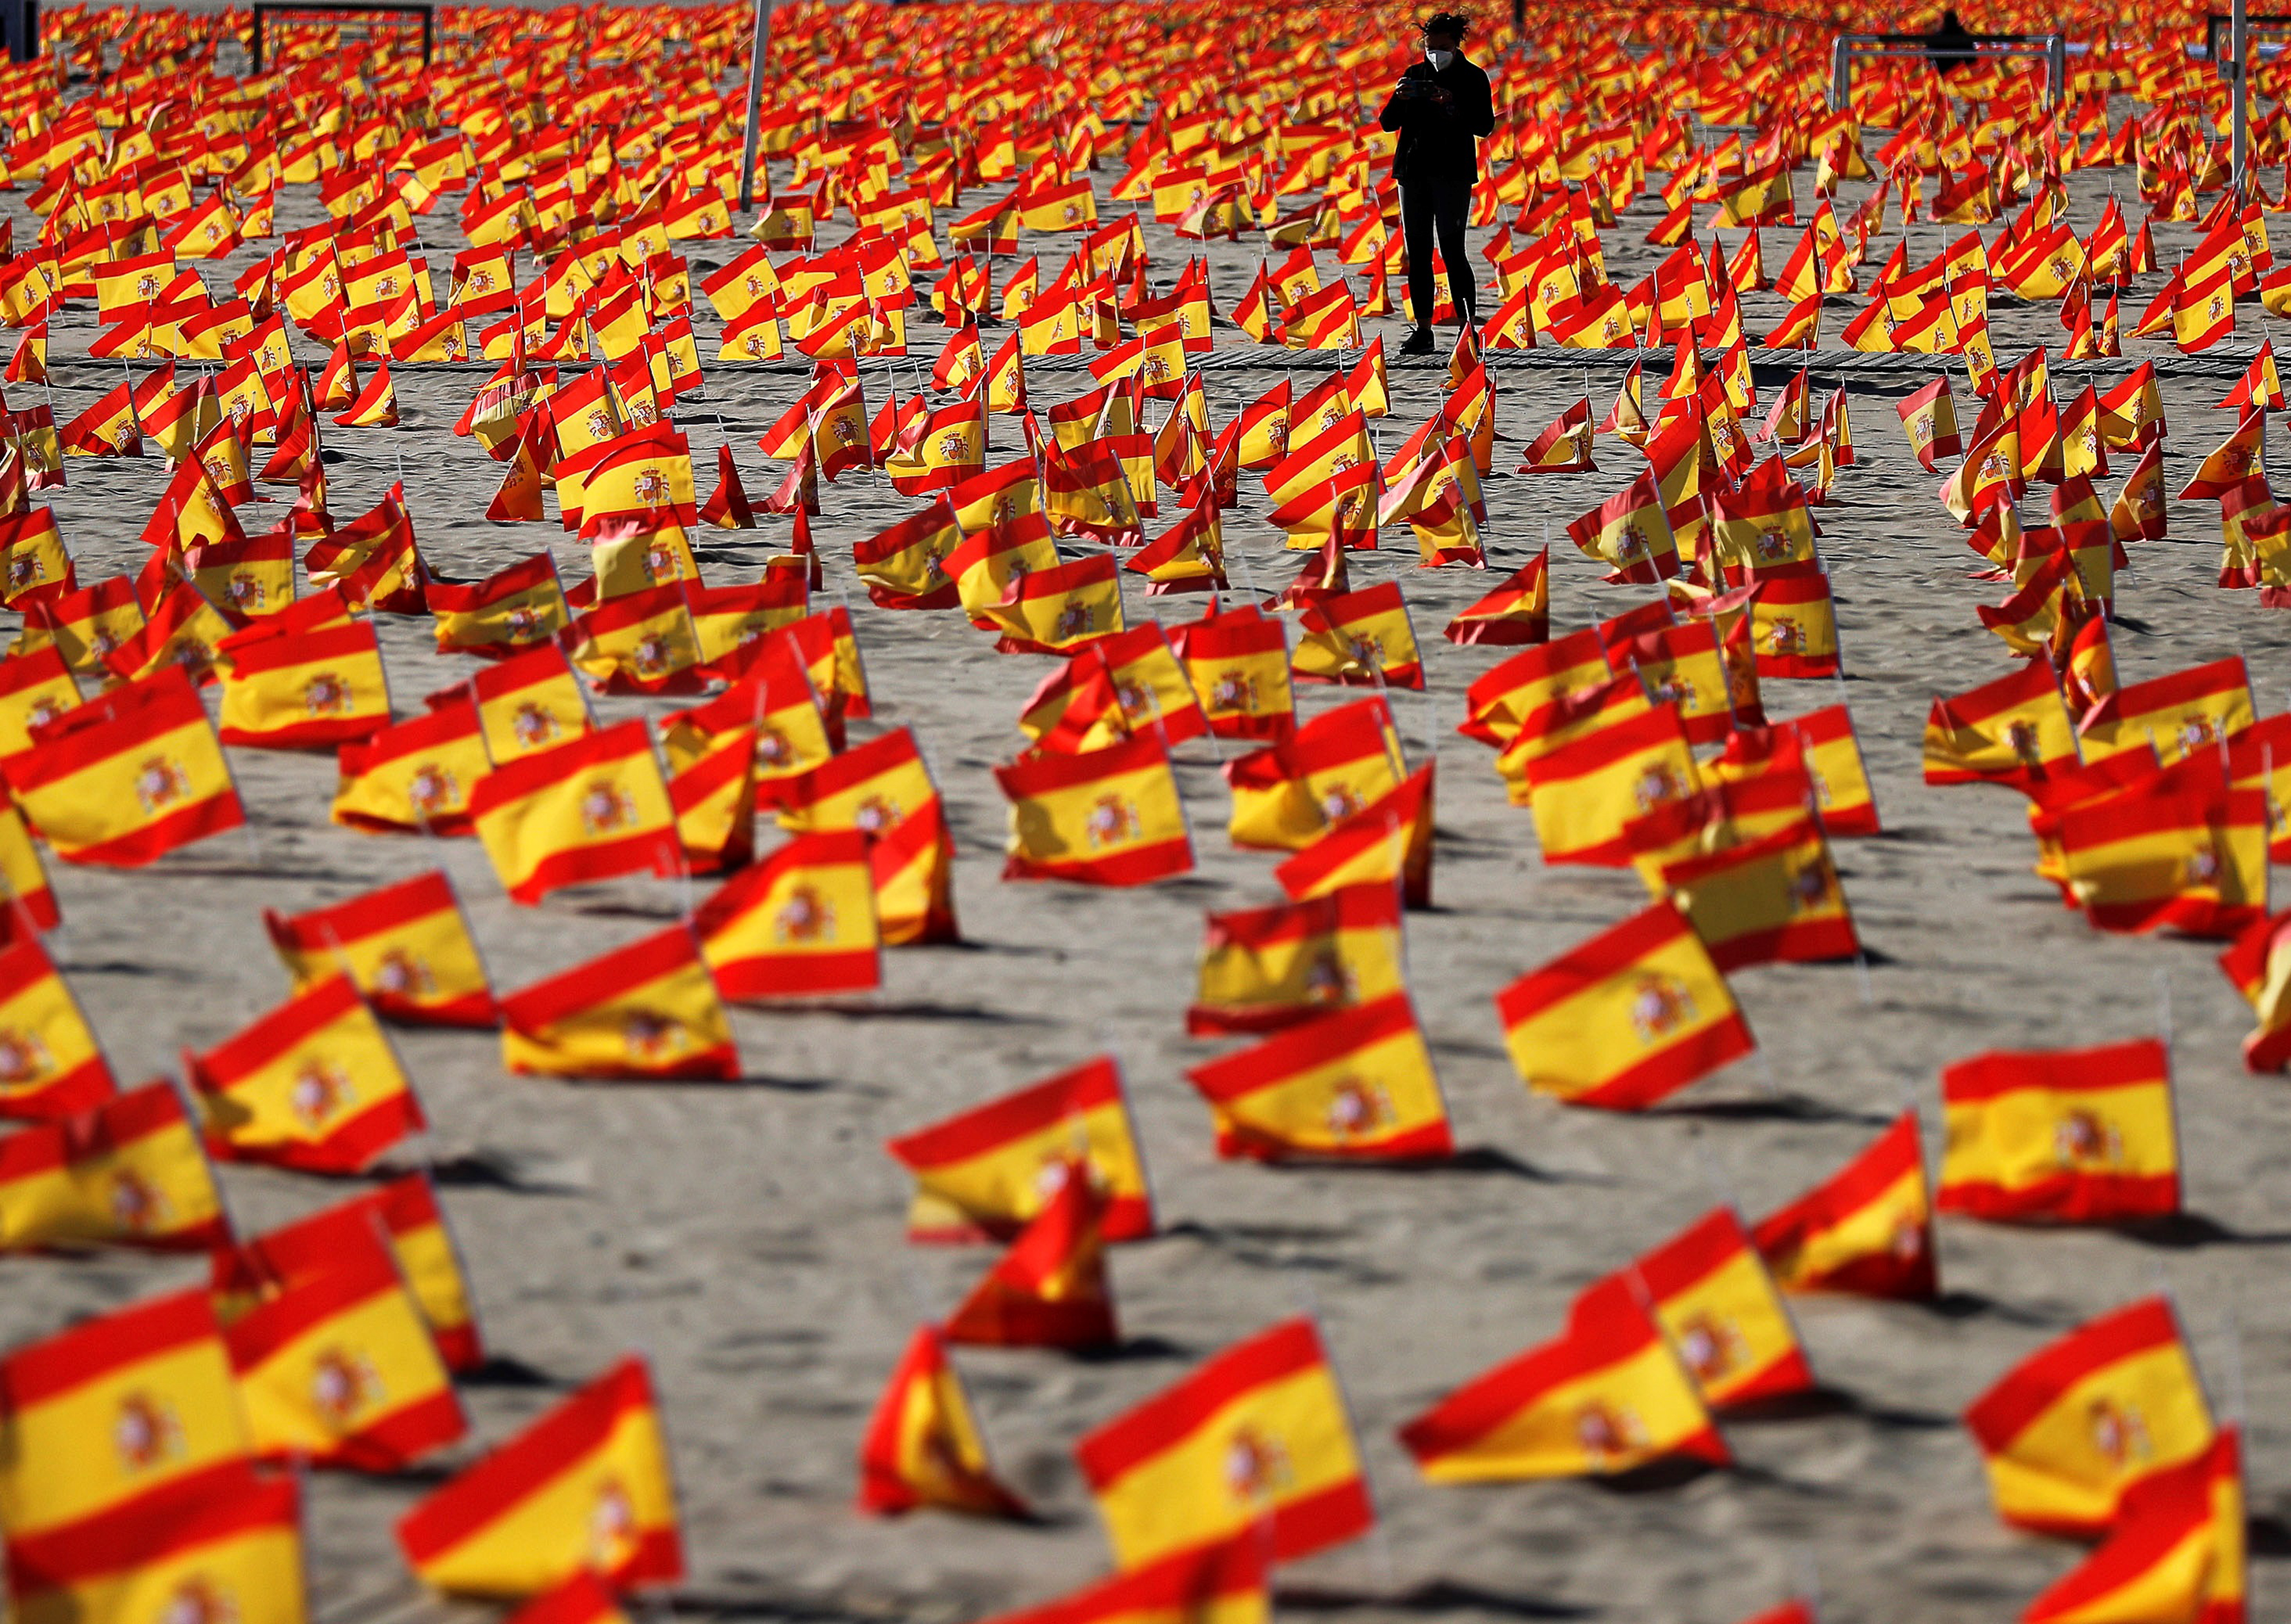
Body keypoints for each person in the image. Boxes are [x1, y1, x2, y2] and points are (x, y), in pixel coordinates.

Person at [1379, 12, 1494, 356]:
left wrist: (1451, 104)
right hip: (1412, 171)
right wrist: (1400, 98)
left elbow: (1484, 125)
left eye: (1442, 47)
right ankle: (1424, 330)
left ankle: (1467, 329)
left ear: (1457, 44)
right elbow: (1387, 123)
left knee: (1452, 250)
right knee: (1417, 253)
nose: (1435, 54)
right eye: (1430, 48)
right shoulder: (1414, 75)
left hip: (1452, 172)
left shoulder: (1473, 78)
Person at [1925, 8, 1977, 72]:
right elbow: (1972, 59)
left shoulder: (1937, 38)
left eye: (1940, 21)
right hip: (1962, 73)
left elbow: (1929, 56)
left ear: (1945, 22)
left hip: (1947, 73)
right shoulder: (1964, 35)